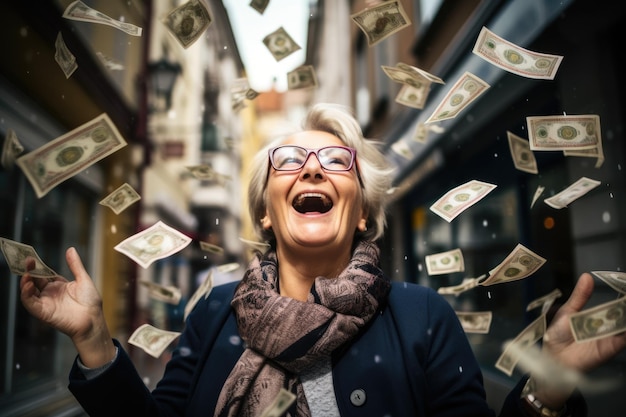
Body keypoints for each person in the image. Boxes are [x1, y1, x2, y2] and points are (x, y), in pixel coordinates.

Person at [20, 103, 626, 417]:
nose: (313, 168)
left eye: (338, 163)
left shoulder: (421, 316)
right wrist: (96, 340)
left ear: (361, 210)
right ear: (265, 211)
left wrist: (544, 393)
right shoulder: (213, 313)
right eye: (291, 160)